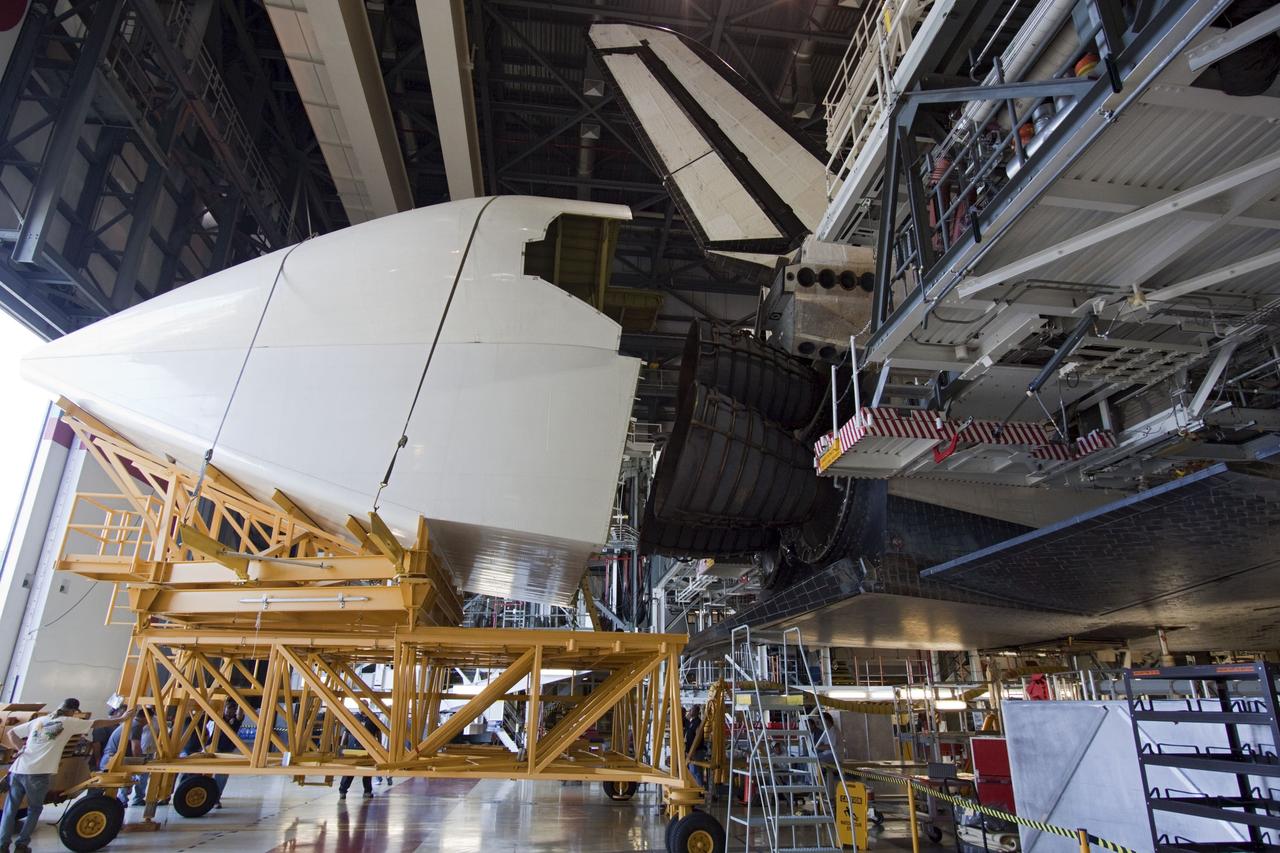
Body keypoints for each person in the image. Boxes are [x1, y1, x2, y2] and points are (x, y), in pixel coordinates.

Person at [1, 698, 98, 853]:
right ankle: (22, 845)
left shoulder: (40, 720)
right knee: (34, 809)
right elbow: (97, 723)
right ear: (73, 711)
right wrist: (121, 719)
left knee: (10, 810)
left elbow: (12, 732)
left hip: (18, 770)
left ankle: (3, 845)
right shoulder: (68, 722)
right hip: (38, 774)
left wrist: (20, 748)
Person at [338, 712, 383, 800]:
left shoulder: (372, 718)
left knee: (367, 770)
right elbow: (346, 731)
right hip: (353, 748)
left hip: (368, 748)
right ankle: (342, 790)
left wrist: (379, 745)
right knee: (350, 770)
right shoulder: (355, 717)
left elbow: (378, 731)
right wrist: (342, 745)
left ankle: (367, 791)